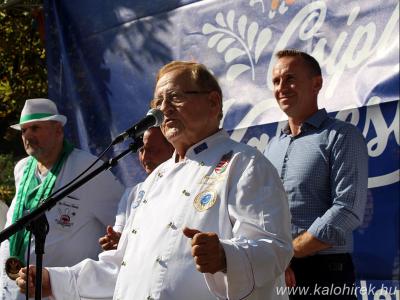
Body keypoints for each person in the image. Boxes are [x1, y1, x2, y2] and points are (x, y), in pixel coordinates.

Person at [16, 61, 293, 300]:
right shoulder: (151, 184)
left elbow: (274, 248)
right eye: (157, 103)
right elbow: (122, 269)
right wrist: (54, 280)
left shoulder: (243, 164)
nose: (164, 110)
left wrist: (225, 256)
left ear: (212, 102)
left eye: (174, 97)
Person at [264, 50, 368, 299]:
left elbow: (347, 209)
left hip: (325, 272)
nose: (281, 88)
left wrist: (290, 251)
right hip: (277, 270)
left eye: (290, 78)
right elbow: (262, 210)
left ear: (316, 84)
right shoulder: (271, 147)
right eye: (276, 81)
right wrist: (275, 256)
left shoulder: (342, 136)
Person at [0, 98, 124, 300]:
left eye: (35, 128)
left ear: (58, 130)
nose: (27, 136)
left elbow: (124, 220)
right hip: (18, 291)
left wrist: (118, 241)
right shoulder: (22, 168)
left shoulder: (88, 168)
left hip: (63, 292)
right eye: (24, 131)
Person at [99, 127, 174, 250]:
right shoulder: (132, 194)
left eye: (152, 150)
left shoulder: (183, 187)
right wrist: (115, 240)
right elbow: (119, 232)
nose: (145, 158)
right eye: (141, 150)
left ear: (173, 149)